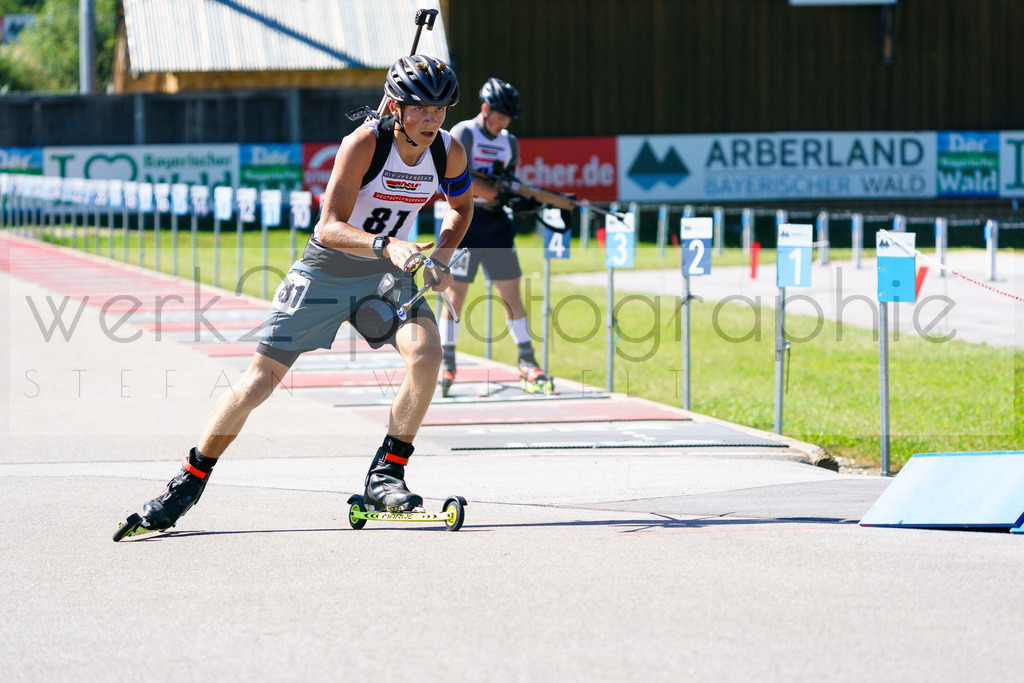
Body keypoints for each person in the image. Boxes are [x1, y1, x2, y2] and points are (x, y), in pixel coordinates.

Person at [119, 55, 473, 534]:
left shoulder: (447, 152)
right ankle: (188, 481)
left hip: (387, 276)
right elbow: (327, 227)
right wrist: (386, 244)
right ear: (395, 106)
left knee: (427, 353)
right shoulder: (364, 144)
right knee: (260, 381)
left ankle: (386, 473)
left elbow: (460, 208)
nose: (432, 120)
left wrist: (445, 255)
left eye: (440, 110)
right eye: (420, 109)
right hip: (328, 270)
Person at [440, 77, 552, 397]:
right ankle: (447, 360)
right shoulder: (464, 133)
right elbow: (458, 179)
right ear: (485, 109)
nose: (503, 124)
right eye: (499, 116)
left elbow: (507, 182)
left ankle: (527, 361)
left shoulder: (510, 142)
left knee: (511, 294)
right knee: (455, 295)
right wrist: (495, 194)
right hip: (467, 221)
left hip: (496, 224)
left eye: (507, 119)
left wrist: (519, 200)